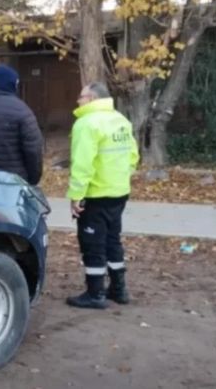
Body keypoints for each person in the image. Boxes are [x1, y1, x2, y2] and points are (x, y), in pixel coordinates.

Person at [66, 82, 140, 310]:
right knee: (112, 240)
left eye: (81, 96)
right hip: (119, 192)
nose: (78, 101)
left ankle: (95, 293)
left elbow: (82, 164)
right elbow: (133, 156)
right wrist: (120, 177)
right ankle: (119, 289)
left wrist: (76, 196)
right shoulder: (120, 120)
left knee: (92, 244)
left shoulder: (86, 124)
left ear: (92, 98)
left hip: (96, 194)